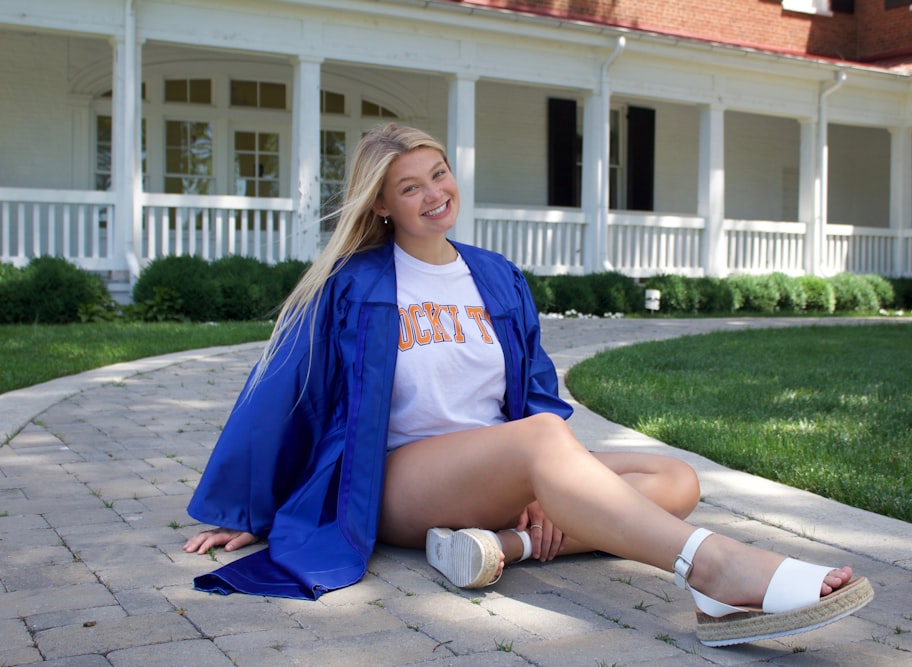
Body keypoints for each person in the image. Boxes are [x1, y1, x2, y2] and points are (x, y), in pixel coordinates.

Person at [183, 123, 873, 647]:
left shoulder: (495, 276)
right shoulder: (354, 285)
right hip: (398, 478)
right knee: (548, 442)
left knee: (674, 478)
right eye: (410, 186)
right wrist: (248, 510)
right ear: (383, 205)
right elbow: (280, 397)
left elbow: (536, 388)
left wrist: (544, 492)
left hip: (500, 468)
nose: (434, 194)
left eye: (439, 173)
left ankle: (495, 549)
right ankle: (715, 568)